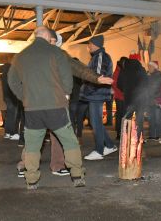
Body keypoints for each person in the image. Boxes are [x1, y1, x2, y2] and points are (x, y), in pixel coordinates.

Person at [8, 26, 85, 189]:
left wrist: (24, 97)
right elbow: (67, 78)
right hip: (56, 107)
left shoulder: (20, 56)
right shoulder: (56, 53)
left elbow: (12, 81)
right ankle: (77, 175)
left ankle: (31, 180)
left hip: (32, 109)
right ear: (49, 37)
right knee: (69, 142)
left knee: (33, 145)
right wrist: (66, 94)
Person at [81, 35, 117, 161]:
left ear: (95, 44)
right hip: (95, 94)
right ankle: (110, 146)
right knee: (95, 121)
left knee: (95, 122)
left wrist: (89, 91)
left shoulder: (100, 57)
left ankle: (99, 150)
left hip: (96, 94)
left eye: (90, 44)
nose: (88, 46)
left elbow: (97, 77)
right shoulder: (96, 57)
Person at [146, 61, 161, 140]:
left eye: (150, 66)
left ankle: (158, 135)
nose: (149, 68)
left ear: (155, 67)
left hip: (157, 101)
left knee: (157, 119)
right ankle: (152, 135)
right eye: (148, 66)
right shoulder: (150, 76)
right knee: (151, 119)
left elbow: (160, 90)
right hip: (150, 100)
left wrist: (158, 99)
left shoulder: (159, 77)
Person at [112, 57, 128, 140]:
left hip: (119, 96)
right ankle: (121, 132)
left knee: (120, 115)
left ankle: (120, 133)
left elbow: (114, 83)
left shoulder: (117, 70)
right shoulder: (120, 70)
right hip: (121, 96)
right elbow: (115, 83)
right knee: (123, 115)